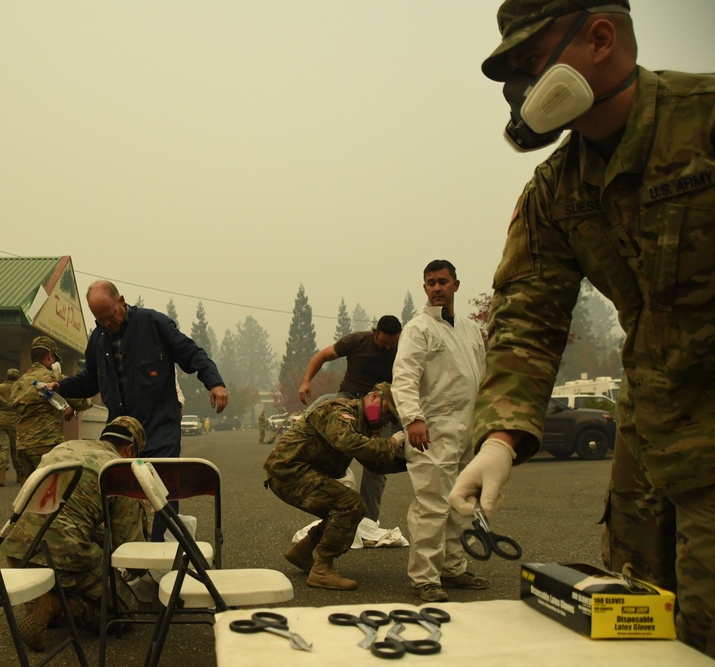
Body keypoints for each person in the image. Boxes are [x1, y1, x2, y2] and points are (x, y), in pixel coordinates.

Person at [449, 1, 715, 655]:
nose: (522, 88)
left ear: (600, 38)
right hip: (648, 450)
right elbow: (528, 319)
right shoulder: (556, 191)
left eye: (531, 62)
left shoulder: (703, 121)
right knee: (635, 627)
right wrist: (501, 436)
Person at [54, 280, 228, 541]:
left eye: (110, 316)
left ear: (121, 301)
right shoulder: (98, 339)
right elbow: (91, 380)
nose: (106, 324)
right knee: (118, 492)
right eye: (99, 320)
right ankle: (127, 554)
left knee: (163, 493)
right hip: (121, 432)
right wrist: (59, 386)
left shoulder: (154, 324)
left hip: (160, 424)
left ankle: (158, 556)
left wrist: (214, 382)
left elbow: (192, 354)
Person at [1, 416, 148, 649]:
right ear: (130, 449)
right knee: (126, 612)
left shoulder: (65, 447)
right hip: (65, 558)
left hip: (19, 551)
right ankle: (57, 605)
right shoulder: (120, 470)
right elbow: (130, 551)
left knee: (81, 545)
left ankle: (44, 593)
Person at [391, 260, 487, 603]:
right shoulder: (418, 329)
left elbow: (483, 376)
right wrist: (413, 419)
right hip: (432, 430)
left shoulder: (471, 330)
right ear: (424, 288)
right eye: (430, 282)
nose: (436, 288)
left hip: (468, 428)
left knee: (461, 503)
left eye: (442, 281)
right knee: (431, 505)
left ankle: (453, 568)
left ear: (456, 285)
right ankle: (425, 578)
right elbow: (404, 378)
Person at [264, 383, 406, 590]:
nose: (384, 419)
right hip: (289, 473)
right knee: (350, 504)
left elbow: (373, 462)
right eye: (386, 411)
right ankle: (322, 570)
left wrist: (408, 460)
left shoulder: (362, 424)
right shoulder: (339, 410)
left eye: (390, 418)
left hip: (298, 474)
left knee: (345, 509)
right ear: (374, 396)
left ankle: (302, 552)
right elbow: (347, 442)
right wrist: (391, 443)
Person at [299, 315, 402, 522]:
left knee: (377, 465)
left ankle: (368, 522)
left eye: (393, 343)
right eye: (384, 343)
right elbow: (322, 356)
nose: (388, 348)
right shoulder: (356, 341)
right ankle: (330, 515)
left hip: (379, 410)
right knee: (333, 456)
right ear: (375, 333)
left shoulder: (403, 349)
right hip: (348, 402)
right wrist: (306, 382)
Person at [10, 336, 93, 484]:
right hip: (46, 446)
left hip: (22, 447)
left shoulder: (18, 383)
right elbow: (84, 401)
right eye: (54, 358)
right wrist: (71, 406)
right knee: (50, 494)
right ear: (49, 356)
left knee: (29, 495)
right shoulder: (53, 378)